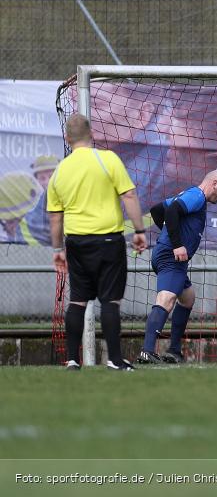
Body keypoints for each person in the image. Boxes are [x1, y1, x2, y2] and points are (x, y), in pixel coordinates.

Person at [46, 114, 148, 371]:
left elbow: (56, 218)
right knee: (110, 301)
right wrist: (139, 230)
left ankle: (72, 358)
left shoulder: (60, 171)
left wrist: (58, 249)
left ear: (67, 138)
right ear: (91, 134)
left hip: (76, 244)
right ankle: (114, 359)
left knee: (78, 301)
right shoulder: (108, 159)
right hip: (108, 241)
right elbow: (130, 194)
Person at [137, 170, 217, 364]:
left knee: (187, 298)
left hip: (170, 256)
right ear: (214, 183)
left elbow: (156, 209)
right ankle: (147, 351)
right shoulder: (197, 195)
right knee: (167, 299)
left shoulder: (191, 195)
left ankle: (174, 350)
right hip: (171, 256)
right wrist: (176, 243)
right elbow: (171, 212)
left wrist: (169, 235)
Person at [21, 154, 60, 245]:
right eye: (42, 178)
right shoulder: (30, 211)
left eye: (51, 176)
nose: (47, 182)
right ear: (37, 180)